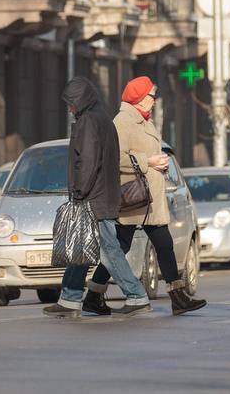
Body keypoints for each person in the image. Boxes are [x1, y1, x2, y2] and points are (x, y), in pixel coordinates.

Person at [82, 76, 206, 317]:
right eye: (151, 96)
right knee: (134, 246)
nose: (154, 100)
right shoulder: (123, 122)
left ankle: (95, 295)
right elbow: (115, 158)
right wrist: (148, 161)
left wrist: (161, 163)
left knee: (139, 245)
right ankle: (175, 297)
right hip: (134, 197)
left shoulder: (144, 121)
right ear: (138, 98)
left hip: (148, 198)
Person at [43, 76, 152, 319]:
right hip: (102, 194)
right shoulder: (102, 118)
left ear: (81, 101)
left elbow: (89, 161)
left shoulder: (88, 122)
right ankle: (69, 298)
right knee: (80, 244)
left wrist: (80, 192)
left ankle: (137, 295)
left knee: (108, 250)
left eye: (71, 102)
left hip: (94, 198)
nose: (69, 107)